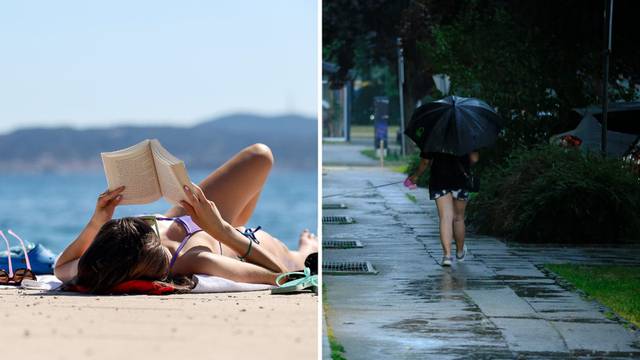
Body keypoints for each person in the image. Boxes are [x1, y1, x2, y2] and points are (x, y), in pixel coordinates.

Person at [54, 144, 318, 293]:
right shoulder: (193, 260)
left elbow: (61, 267)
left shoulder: (100, 264)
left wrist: (98, 220)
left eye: (147, 225)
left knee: (260, 156)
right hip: (247, 241)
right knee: (300, 256)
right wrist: (222, 229)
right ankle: (308, 248)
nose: (150, 225)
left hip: (195, 219)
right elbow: (282, 276)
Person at [408, 151, 479, 267]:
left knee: (445, 217)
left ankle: (447, 256)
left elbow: (425, 161)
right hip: (461, 179)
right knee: (458, 218)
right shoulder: (467, 133)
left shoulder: (434, 134)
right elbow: (474, 158)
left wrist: (416, 176)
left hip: (439, 179)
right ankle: (460, 253)